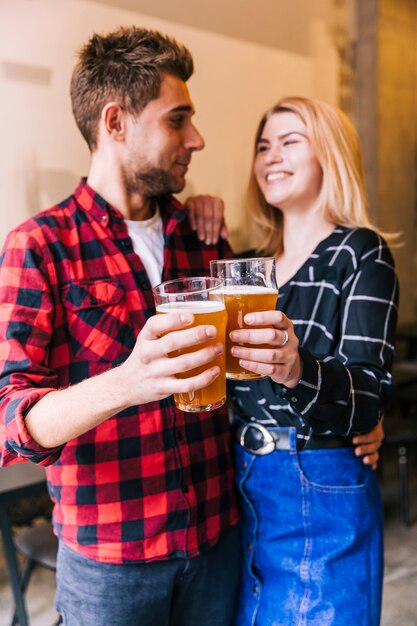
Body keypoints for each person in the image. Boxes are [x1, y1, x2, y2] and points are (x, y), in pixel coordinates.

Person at [0, 27, 241, 626]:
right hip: (111, 561)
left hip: (219, 537)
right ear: (115, 123)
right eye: (177, 120)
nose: (198, 139)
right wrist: (129, 382)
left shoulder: (202, 234)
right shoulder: (39, 246)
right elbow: (8, 420)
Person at [185, 96, 398, 625]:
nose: (270, 157)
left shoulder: (361, 252)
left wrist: (297, 370)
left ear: (329, 153)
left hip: (321, 480)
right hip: (241, 479)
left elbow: (368, 395)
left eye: (289, 141)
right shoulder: (244, 268)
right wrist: (194, 209)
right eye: (262, 146)